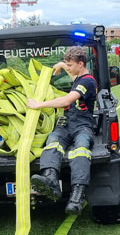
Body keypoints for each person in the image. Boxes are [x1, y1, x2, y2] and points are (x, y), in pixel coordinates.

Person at [27, 46, 97, 215]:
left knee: (81, 150)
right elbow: (70, 71)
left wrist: (39, 105)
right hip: (66, 124)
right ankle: (50, 181)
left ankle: (77, 197)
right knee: (53, 143)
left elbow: (67, 100)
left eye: (70, 65)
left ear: (80, 64)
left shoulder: (88, 81)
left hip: (82, 126)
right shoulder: (78, 76)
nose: (69, 68)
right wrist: (61, 64)